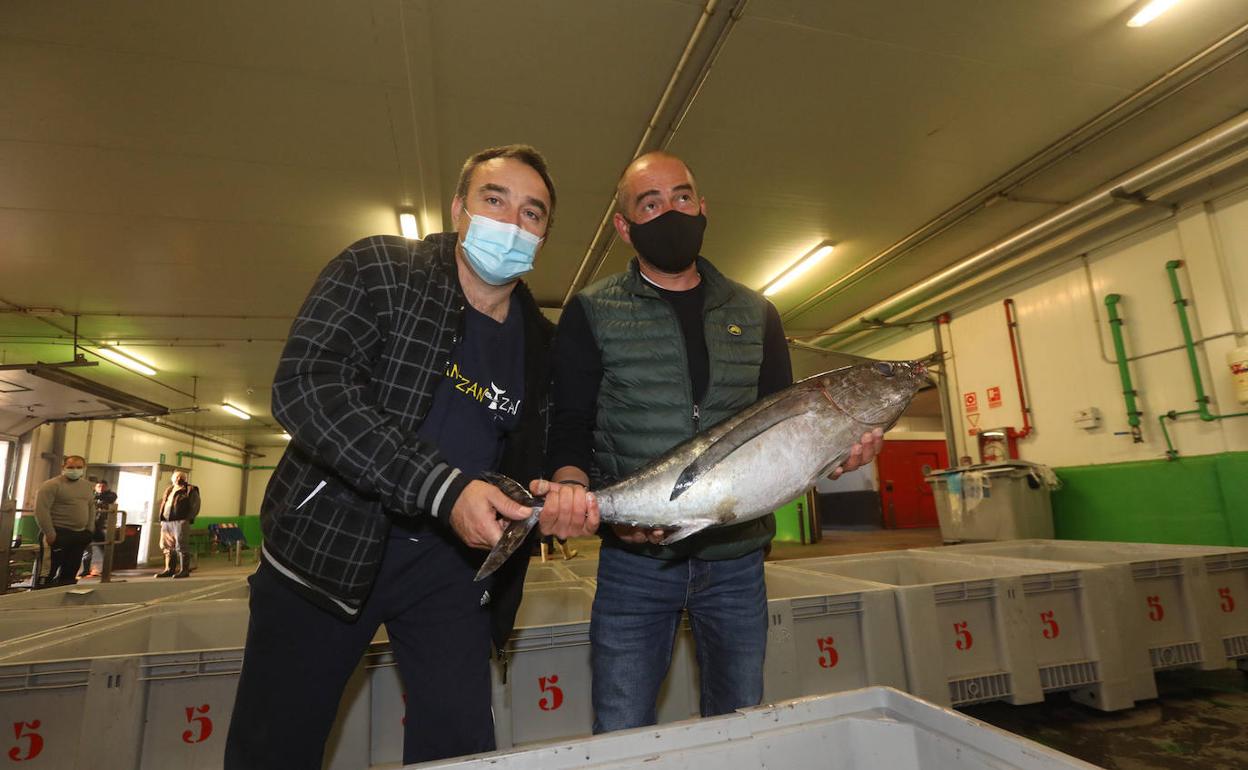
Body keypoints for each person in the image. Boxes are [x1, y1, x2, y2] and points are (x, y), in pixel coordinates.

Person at [224, 144, 599, 770]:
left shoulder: (541, 341)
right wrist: (443, 489)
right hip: (327, 550)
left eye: (532, 214)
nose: (511, 223)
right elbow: (308, 387)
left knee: (460, 746)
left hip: (455, 568)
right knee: (276, 746)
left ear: (544, 236)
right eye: (494, 200)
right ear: (459, 209)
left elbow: (562, 434)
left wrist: (566, 486)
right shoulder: (380, 270)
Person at [544, 151, 883, 733]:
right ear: (625, 227)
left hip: (737, 561)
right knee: (622, 727)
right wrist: (577, 494)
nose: (669, 210)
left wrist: (837, 453)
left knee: (739, 721)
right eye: (649, 203)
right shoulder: (592, 311)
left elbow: (791, 429)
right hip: (635, 561)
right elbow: (571, 421)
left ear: (703, 207)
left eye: (681, 196)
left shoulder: (756, 313)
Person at [33, 456, 95, 587]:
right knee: (47, 573)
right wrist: (50, 533)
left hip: (79, 535)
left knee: (70, 573)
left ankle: (63, 604)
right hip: (57, 534)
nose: (75, 470)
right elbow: (41, 510)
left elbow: (91, 507)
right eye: (71, 467)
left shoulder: (87, 486)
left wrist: (89, 530)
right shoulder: (51, 485)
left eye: (79, 467)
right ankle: (41, 600)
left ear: (84, 468)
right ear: (63, 468)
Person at [154, 470, 200, 578]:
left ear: (185, 479)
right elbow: (164, 504)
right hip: (166, 521)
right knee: (167, 546)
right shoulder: (169, 490)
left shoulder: (190, 489)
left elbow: (195, 506)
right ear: (172, 479)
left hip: (181, 521)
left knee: (181, 546)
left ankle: (184, 570)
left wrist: (187, 519)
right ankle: (169, 569)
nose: (179, 479)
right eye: (177, 477)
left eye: (181, 477)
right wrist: (162, 519)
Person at [79, 480, 119, 578]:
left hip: (102, 527)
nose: (101, 488)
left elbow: (110, 499)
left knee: (106, 548)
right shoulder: (92, 495)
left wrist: (93, 497)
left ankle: (106, 569)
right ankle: (86, 570)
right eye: (99, 486)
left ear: (107, 487)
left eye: (103, 486)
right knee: (87, 549)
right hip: (89, 525)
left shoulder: (110, 495)